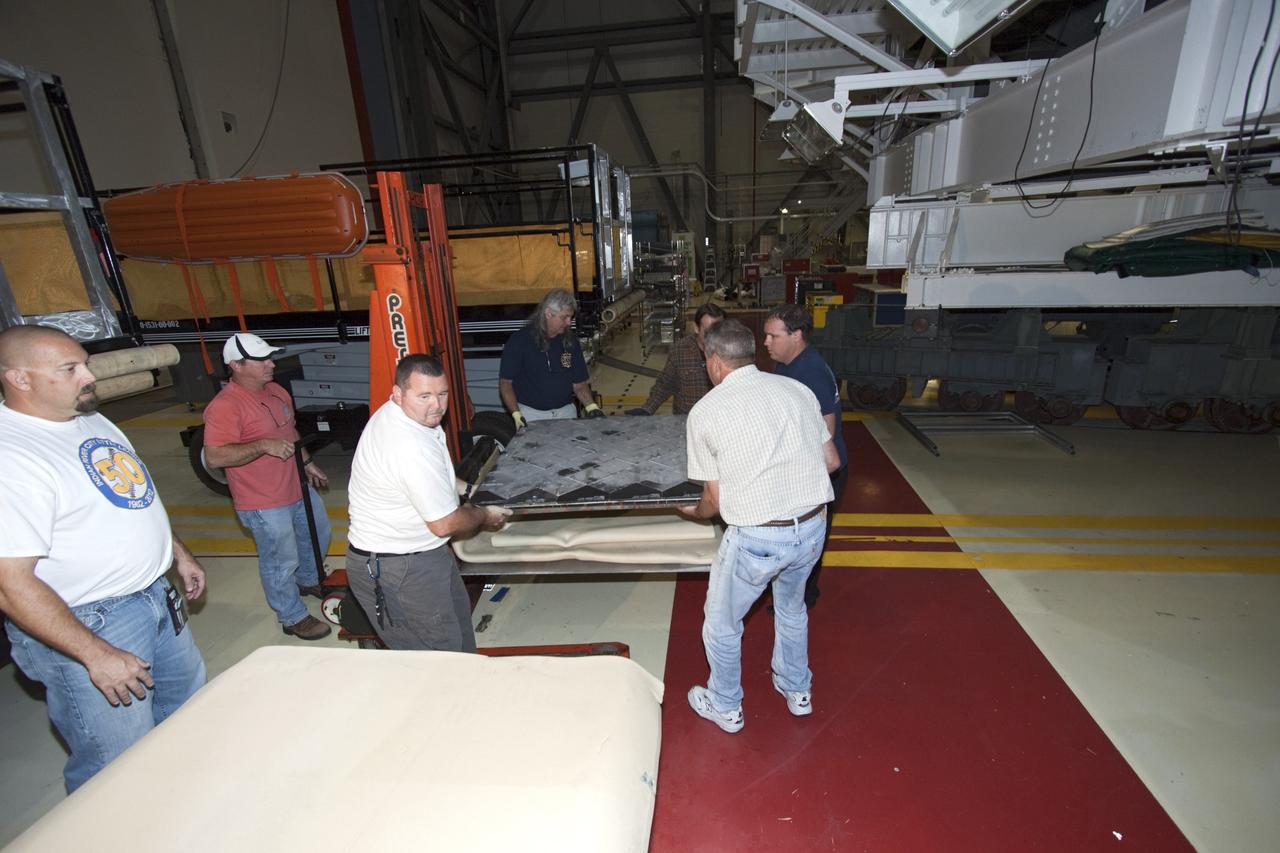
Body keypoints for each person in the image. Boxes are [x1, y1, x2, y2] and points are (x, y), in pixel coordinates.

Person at [0, 325, 208, 792]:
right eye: (69, 369)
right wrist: (95, 654)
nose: (88, 376)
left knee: (188, 719)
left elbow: (130, 496)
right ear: (20, 379)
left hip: (155, 597)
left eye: (86, 363)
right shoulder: (11, 456)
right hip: (93, 624)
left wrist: (174, 554)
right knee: (114, 767)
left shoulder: (86, 418)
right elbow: (10, 583)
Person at [679, 319, 838, 734]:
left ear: (714, 362)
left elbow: (713, 503)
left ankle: (726, 705)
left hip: (758, 537)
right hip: (812, 527)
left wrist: (691, 514)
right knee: (791, 608)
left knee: (721, 623)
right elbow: (831, 461)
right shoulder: (796, 391)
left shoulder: (707, 412)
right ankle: (797, 690)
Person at [346, 354, 511, 651]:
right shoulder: (407, 445)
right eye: (424, 396)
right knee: (436, 656)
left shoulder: (408, 416)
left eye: (442, 394)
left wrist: (467, 488)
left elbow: (428, 479)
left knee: (459, 633)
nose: (436, 405)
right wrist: (485, 515)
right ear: (397, 394)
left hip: (424, 554)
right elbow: (444, 523)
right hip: (397, 566)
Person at [202, 332, 331, 641]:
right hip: (263, 500)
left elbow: (288, 431)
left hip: (295, 485)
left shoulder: (275, 391)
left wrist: (307, 461)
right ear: (235, 365)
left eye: (270, 357)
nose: (272, 364)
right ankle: (291, 615)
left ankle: (309, 580)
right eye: (262, 360)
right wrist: (262, 445)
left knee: (319, 532)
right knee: (280, 558)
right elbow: (215, 456)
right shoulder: (225, 406)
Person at [763, 304, 849, 610]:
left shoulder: (810, 371)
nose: (767, 343)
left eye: (773, 336)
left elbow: (825, 431)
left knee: (810, 538)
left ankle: (802, 597)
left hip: (821, 470)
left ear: (797, 335)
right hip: (802, 466)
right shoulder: (787, 364)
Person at [499, 288, 604, 428]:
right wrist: (517, 415)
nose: (568, 323)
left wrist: (591, 407)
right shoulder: (520, 341)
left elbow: (579, 384)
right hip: (531, 415)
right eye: (564, 317)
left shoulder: (570, 342)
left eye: (570, 317)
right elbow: (506, 383)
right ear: (548, 313)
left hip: (566, 413)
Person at [628, 302, 726, 416]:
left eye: (718, 330)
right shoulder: (680, 350)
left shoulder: (731, 351)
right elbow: (665, 384)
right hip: (687, 420)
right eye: (708, 331)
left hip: (718, 419)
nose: (714, 336)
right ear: (696, 328)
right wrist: (647, 409)